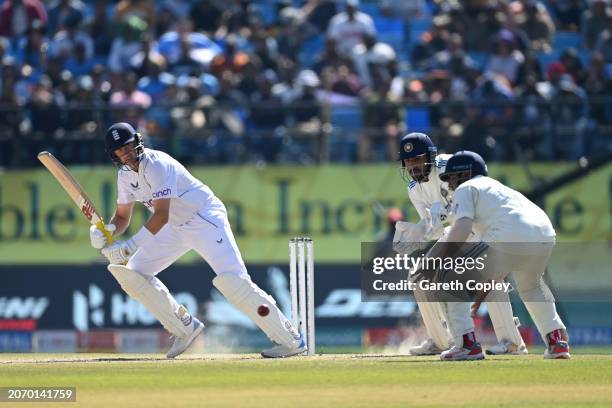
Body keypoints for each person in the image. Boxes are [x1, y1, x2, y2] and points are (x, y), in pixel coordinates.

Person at [90, 122, 306, 358]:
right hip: (175, 226)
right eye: (121, 151)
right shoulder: (124, 176)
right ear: (114, 155)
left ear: (138, 142)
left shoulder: (157, 165)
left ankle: (291, 340)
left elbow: (160, 215)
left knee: (233, 281)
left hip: (203, 218)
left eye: (129, 147)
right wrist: (108, 230)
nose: (127, 154)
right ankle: (184, 327)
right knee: (133, 274)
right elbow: (122, 216)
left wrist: (130, 246)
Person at [418, 150, 569, 360]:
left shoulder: (466, 187)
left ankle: (466, 345)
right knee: (531, 286)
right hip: (544, 235)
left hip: (508, 235)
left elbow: (462, 227)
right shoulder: (498, 188)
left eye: (451, 177)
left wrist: (438, 259)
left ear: (464, 174)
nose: (450, 185)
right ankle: (557, 342)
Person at [394, 133, 527, 356]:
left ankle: (512, 342)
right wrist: (419, 232)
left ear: (430, 156)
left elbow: (474, 198)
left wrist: (443, 213)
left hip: (479, 226)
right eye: (408, 161)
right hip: (455, 232)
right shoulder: (413, 189)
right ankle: (440, 341)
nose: (412, 166)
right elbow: (433, 226)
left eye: (417, 159)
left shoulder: (450, 165)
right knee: (419, 276)